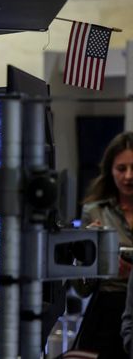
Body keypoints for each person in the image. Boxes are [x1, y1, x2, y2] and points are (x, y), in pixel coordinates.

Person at [79, 132, 133, 358]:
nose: (129, 176)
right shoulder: (94, 212)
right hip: (105, 313)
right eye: (121, 169)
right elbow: (81, 288)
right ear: (110, 170)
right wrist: (96, 262)